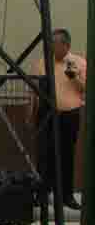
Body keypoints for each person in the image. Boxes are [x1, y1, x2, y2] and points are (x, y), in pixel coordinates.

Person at [32, 28, 86, 210]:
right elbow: (34, 90)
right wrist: (30, 112)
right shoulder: (42, 63)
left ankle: (66, 196)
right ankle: (42, 194)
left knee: (66, 155)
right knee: (44, 155)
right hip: (45, 115)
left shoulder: (78, 62)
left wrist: (75, 77)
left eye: (54, 44)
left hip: (69, 115)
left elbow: (85, 88)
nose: (51, 48)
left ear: (66, 45)